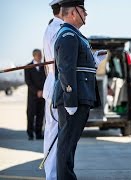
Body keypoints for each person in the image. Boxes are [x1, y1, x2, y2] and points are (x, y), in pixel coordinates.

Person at [52, 0, 106, 178]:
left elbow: (78, 66)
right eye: (84, 10)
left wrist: (94, 61)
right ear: (74, 12)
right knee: (66, 145)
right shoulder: (69, 35)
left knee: (69, 145)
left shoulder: (75, 35)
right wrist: (70, 100)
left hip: (81, 96)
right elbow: (66, 69)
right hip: (73, 99)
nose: (87, 14)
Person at [42, 0, 63, 179]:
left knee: (52, 133)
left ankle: (53, 175)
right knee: (54, 136)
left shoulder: (52, 27)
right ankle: (53, 176)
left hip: (53, 85)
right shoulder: (59, 30)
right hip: (57, 86)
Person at [24, 49, 46, 140]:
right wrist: (37, 91)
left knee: (40, 115)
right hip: (32, 96)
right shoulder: (28, 67)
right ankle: (30, 134)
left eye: (41, 55)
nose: (40, 57)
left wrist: (43, 91)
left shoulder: (44, 66)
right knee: (31, 115)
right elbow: (28, 82)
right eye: (38, 55)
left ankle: (38, 133)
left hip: (42, 95)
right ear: (34, 56)